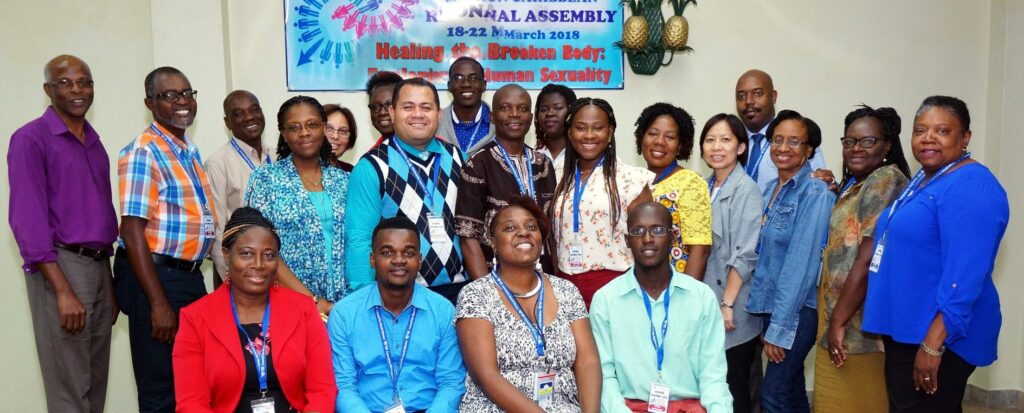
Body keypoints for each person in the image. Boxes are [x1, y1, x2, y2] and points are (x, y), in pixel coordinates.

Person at [863, 96, 1009, 413]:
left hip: (938, 335)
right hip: (909, 327)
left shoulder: (971, 184)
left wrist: (933, 342)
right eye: (920, 130)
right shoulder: (927, 177)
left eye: (942, 130)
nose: (928, 138)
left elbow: (966, 274)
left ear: (965, 137)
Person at [8, 55, 118, 413]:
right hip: (61, 267)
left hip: (98, 268)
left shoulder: (95, 143)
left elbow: (100, 219)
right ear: (48, 89)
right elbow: (27, 219)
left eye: (84, 82)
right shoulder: (30, 139)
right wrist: (62, 290)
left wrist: (109, 285)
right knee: (69, 390)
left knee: (95, 385)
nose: (77, 90)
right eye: (66, 83)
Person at [114, 66, 215, 412]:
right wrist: (157, 303)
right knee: (161, 386)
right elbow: (132, 231)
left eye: (187, 93)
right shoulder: (144, 152)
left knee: (193, 377)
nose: (182, 101)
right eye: (170, 95)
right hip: (156, 280)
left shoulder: (187, 151)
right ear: (150, 103)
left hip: (186, 276)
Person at [173, 207, 337, 412]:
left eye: (268, 255)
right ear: (227, 255)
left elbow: (322, 390)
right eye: (247, 253)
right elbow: (191, 403)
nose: (258, 264)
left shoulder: (304, 310)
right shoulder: (195, 318)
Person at [456, 198, 601, 412]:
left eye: (531, 227)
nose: (523, 232)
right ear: (493, 243)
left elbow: (587, 361)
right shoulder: (476, 295)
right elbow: (486, 376)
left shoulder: (567, 291)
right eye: (510, 228)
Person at [813, 106, 911, 412]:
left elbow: (869, 258)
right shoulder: (857, 184)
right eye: (849, 141)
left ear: (887, 146)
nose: (856, 148)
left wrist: (838, 321)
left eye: (868, 141)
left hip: (858, 326)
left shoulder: (885, 179)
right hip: (838, 314)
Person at [591, 202, 731, 413]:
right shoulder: (606, 300)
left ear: (673, 236)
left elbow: (713, 376)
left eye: (657, 230)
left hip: (690, 407)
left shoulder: (702, 297)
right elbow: (604, 376)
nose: (647, 239)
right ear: (627, 241)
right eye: (638, 231)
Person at [743, 110, 836, 413]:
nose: (783, 147)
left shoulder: (816, 192)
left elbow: (801, 265)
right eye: (777, 140)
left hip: (797, 311)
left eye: (794, 141)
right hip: (772, 307)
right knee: (792, 389)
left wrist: (779, 327)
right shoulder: (771, 189)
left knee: (774, 394)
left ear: (809, 150)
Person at [345, 78, 467, 304]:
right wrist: (362, 300)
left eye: (426, 107)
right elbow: (359, 239)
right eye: (408, 107)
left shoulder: (460, 159)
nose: (418, 114)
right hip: (400, 295)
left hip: (460, 291)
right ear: (392, 113)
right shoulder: (371, 167)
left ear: (438, 114)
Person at [329, 216, 466, 412]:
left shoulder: (443, 311)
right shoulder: (344, 314)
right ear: (372, 259)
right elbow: (343, 386)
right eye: (387, 252)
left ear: (419, 260)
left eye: (408, 253)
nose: (399, 260)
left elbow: (451, 383)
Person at [245, 96, 349, 319]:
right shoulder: (265, 179)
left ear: (323, 128)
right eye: (294, 127)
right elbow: (262, 249)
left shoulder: (343, 180)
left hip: (342, 305)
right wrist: (312, 301)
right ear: (283, 134)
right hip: (288, 303)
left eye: (312, 124)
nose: (304, 133)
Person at [552, 98, 653, 306]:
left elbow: (647, 241)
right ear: (569, 132)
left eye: (598, 128)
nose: (589, 135)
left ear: (610, 132)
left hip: (615, 287)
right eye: (581, 128)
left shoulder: (632, 179)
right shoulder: (556, 175)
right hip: (564, 285)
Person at [456, 84, 557, 278]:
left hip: (543, 274)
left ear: (531, 117)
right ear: (492, 117)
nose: (514, 114)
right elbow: (468, 238)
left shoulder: (543, 164)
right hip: (497, 276)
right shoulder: (478, 164)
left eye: (522, 109)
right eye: (505, 108)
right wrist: (487, 290)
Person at [699, 113, 763, 413]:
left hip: (732, 306)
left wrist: (727, 304)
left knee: (734, 389)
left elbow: (745, 252)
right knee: (712, 388)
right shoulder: (705, 186)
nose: (716, 147)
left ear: (740, 147)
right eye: (710, 140)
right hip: (709, 301)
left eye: (725, 140)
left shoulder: (745, 188)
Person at [634, 103, 711, 279]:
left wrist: (686, 293)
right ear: (641, 137)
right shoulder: (633, 180)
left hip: (675, 284)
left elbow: (700, 249)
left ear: (680, 145)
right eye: (652, 133)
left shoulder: (690, 182)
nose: (659, 141)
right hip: (637, 284)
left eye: (669, 137)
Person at [206, 90, 273, 285]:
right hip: (243, 269)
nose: (249, 117)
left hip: (277, 262)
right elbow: (217, 229)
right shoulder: (218, 163)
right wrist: (230, 280)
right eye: (238, 113)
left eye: (254, 110)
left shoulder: (277, 156)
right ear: (227, 122)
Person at [734, 69, 831, 194]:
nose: (748, 101)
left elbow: (819, 186)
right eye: (741, 96)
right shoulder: (732, 142)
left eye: (757, 93)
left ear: (773, 96)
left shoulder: (800, 140)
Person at [438, 57, 494, 155]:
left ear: (484, 85)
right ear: (449, 85)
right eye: (458, 78)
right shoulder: (436, 121)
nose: (466, 84)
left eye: (473, 78)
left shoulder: (498, 122)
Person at [534, 83, 577, 180]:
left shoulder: (582, 156)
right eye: (543, 109)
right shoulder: (531, 156)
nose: (549, 113)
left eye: (558, 108)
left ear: (572, 112)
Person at [366, 70, 403, 146]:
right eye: (375, 107)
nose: (382, 112)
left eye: (389, 105)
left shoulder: (422, 147)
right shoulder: (375, 151)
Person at [324, 104, 357, 171]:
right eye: (328, 128)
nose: (335, 136)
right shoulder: (301, 170)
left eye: (343, 131)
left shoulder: (352, 172)